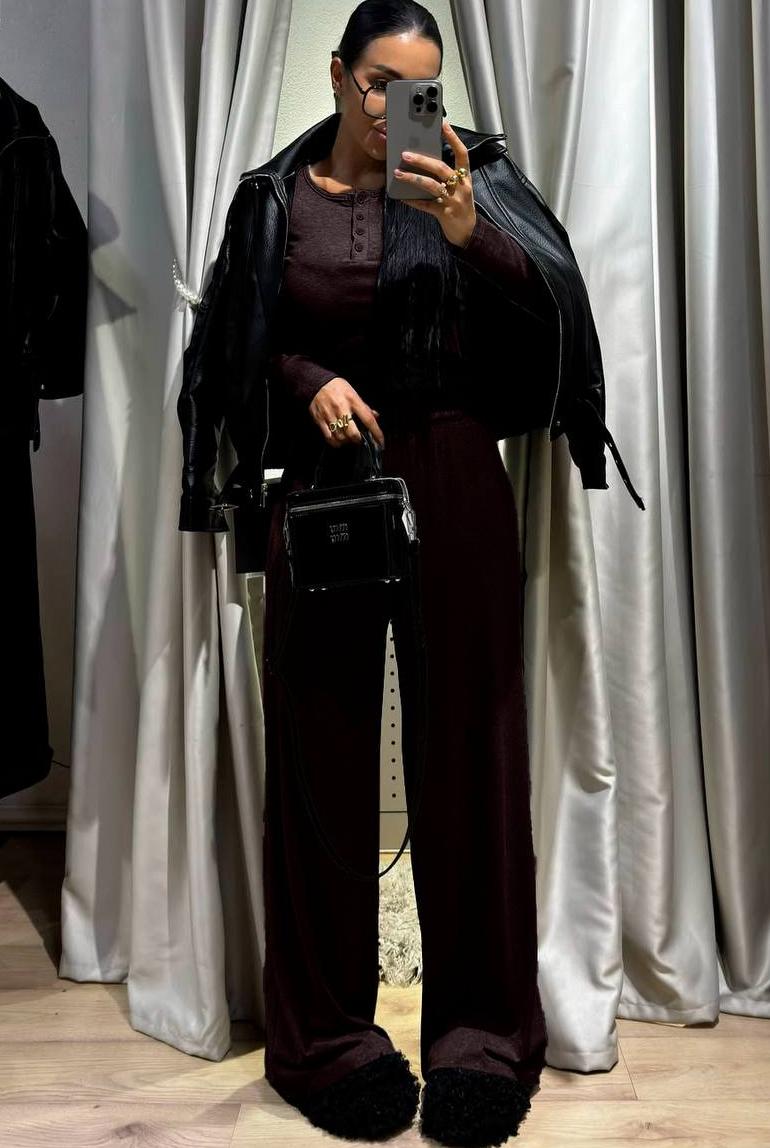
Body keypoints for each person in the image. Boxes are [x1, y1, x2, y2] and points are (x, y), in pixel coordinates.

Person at [259, 4, 548, 1145]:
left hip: (455, 470)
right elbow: (249, 342)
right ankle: (325, 1039)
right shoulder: (275, 201)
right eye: (380, 83)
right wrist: (308, 381)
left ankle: (483, 1036)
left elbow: (546, 335)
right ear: (339, 76)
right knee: (320, 753)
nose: (394, 109)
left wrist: (472, 229)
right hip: (327, 490)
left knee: (471, 754)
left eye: (419, 88)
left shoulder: (474, 184)